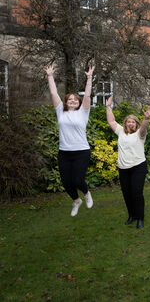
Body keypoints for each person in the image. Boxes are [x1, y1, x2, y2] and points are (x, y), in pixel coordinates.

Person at [46, 65, 95, 217]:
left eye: (75, 99)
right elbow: (54, 93)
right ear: (66, 102)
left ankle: (86, 193)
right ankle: (76, 201)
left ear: (78, 103)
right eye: (70, 99)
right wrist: (49, 76)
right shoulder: (60, 111)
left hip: (81, 152)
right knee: (66, 183)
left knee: (78, 180)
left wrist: (88, 78)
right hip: (64, 153)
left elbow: (87, 96)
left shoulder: (83, 112)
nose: (73, 101)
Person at [106, 96, 150, 229]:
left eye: (133, 122)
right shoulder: (120, 132)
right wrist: (108, 107)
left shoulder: (139, 134)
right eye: (128, 122)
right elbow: (111, 121)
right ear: (125, 123)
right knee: (126, 193)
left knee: (137, 192)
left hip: (138, 167)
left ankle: (140, 218)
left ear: (136, 124)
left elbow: (143, 128)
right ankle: (131, 215)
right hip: (123, 168)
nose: (130, 123)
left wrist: (146, 119)